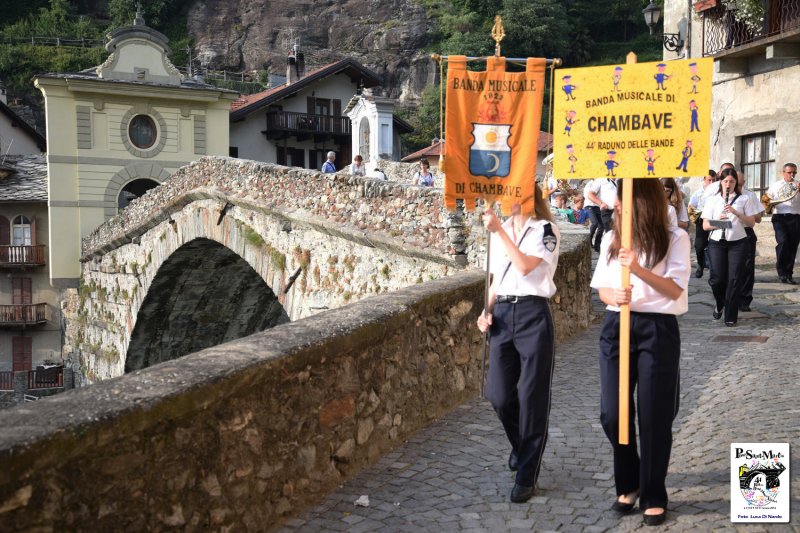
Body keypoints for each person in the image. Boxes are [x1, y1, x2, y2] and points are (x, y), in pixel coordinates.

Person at [590, 178, 690, 527]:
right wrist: (612, 297)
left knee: (653, 416)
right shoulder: (611, 237)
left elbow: (675, 289)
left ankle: (653, 493)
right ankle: (628, 481)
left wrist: (638, 269)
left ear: (640, 202)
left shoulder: (675, 237)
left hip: (657, 329)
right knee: (611, 414)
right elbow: (602, 287)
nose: (615, 206)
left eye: (621, 200)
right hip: (617, 326)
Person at [476, 187, 560, 504]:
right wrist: (486, 309)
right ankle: (522, 447)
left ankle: (527, 475)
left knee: (532, 396)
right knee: (497, 394)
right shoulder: (504, 230)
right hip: (503, 312)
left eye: (512, 194)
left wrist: (499, 231)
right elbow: (499, 277)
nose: (506, 201)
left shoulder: (545, 229)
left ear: (527, 197)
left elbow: (525, 266)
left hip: (532, 313)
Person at [702, 168, 759, 326]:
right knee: (716, 280)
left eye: (732, 181)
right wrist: (719, 222)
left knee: (734, 279)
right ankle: (720, 303)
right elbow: (705, 225)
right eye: (725, 181)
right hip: (716, 243)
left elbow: (752, 222)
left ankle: (730, 315)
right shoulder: (713, 200)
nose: (728, 184)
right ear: (720, 182)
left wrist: (737, 213)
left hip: (738, 243)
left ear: (736, 183)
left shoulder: (744, 198)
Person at [766, 162, 800, 284]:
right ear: (783, 172)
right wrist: (768, 204)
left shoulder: (798, 185)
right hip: (780, 217)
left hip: (796, 217)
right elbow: (767, 200)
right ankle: (781, 271)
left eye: (794, 172)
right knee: (783, 242)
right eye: (789, 172)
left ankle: (788, 274)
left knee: (792, 246)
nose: (792, 175)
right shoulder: (775, 185)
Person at [737, 170, 764, 311]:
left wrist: (751, 213)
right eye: (738, 184)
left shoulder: (750, 195)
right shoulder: (723, 195)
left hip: (746, 232)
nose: (740, 187)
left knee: (747, 268)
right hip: (730, 232)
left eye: (742, 184)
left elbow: (758, 219)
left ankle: (745, 300)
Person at [688, 170, 717, 278]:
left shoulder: (719, 192)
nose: (711, 182)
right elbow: (691, 207)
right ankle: (700, 265)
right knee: (699, 246)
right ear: (704, 180)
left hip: (715, 221)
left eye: (713, 180)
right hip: (702, 220)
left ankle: (714, 267)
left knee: (714, 245)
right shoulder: (698, 193)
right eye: (709, 180)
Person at [585, 178, 618, 252]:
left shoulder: (620, 179)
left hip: (620, 211)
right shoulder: (601, 180)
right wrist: (601, 203)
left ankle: (599, 247)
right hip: (607, 210)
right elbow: (590, 194)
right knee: (610, 233)